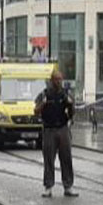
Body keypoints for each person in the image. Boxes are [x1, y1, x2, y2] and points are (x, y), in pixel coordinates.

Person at [34, 70, 78, 198]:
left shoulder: (66, 94)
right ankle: (48, 186)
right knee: (49, 159)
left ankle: (68, 186)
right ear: (51, 80)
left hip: (63, 128)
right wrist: (42, 104)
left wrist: (70, 105)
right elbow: (35, 110)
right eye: (56, 79)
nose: (58, 82)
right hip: (49, 129)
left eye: (60, 79)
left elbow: (72, 113)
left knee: (66, 158)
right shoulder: (44, 94)